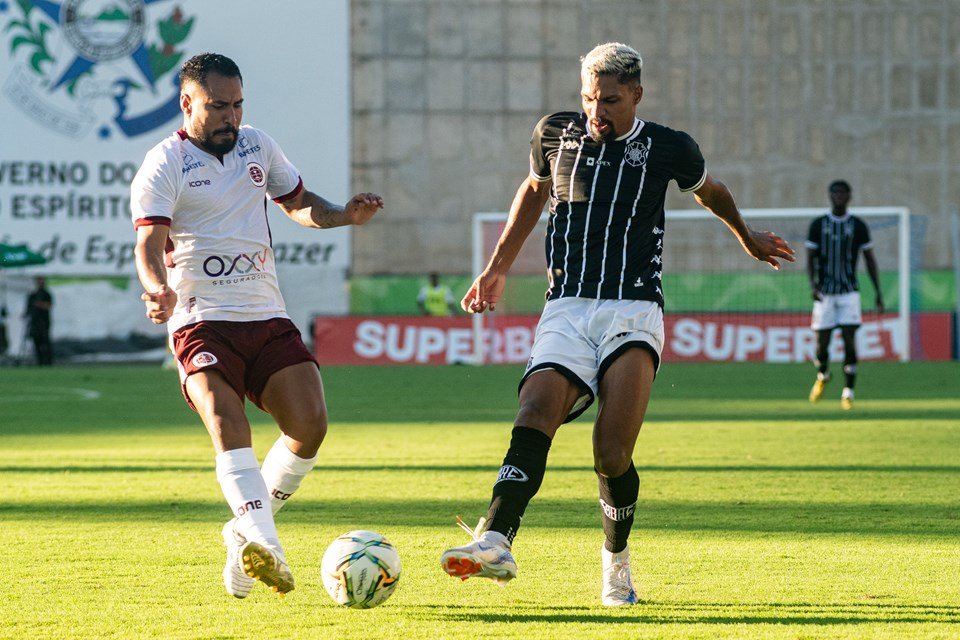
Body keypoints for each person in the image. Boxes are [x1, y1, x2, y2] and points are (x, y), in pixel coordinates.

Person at [439, 42, 794, 606]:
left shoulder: (668, 148)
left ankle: (616, 564)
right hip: (567, 305)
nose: (595, 112)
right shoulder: (555, 133)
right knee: (534, 411)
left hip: (633, 309)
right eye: (587, 98)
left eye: (608, 100)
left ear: (636, 95)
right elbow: (534, 191)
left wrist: (746, 235)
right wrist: (496, 267)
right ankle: (496, 539)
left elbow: (712, 192)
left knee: (611, 454)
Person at [131, 53, 383, 599]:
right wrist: (157, 289)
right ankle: (267, 544)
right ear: (187, 104)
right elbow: (148, 245)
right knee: (228, 423)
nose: (232, 116)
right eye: (219, 106)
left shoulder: (256, 146)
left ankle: (243, 529)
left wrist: (344, 214)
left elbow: (298, 203)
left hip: (266, 313)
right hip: (200, 320)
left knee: (310, 426)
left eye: (238, 104)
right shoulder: (163, 163)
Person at [806, 180, 883, 410]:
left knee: (850, 342)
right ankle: (823, 375)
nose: (839, 196)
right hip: (825, 294)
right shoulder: (818, 225)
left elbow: (870, 260)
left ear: (849, 196)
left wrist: (878, 292)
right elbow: (810, 260)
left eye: (843, 193)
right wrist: (813, 285)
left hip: (849, 292)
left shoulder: (858, 226)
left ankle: (848, 392)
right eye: (835, 192)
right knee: (822, 346)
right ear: (830, 196)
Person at [24, 277, 53, 366]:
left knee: (46, 342)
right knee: (36, 342)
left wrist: (39, 304)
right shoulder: (32, 295)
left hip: (44, 322)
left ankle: (48, 362)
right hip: (34, 322)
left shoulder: (46, 294)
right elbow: (28, 308)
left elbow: (49, 305)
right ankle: (39, 362)